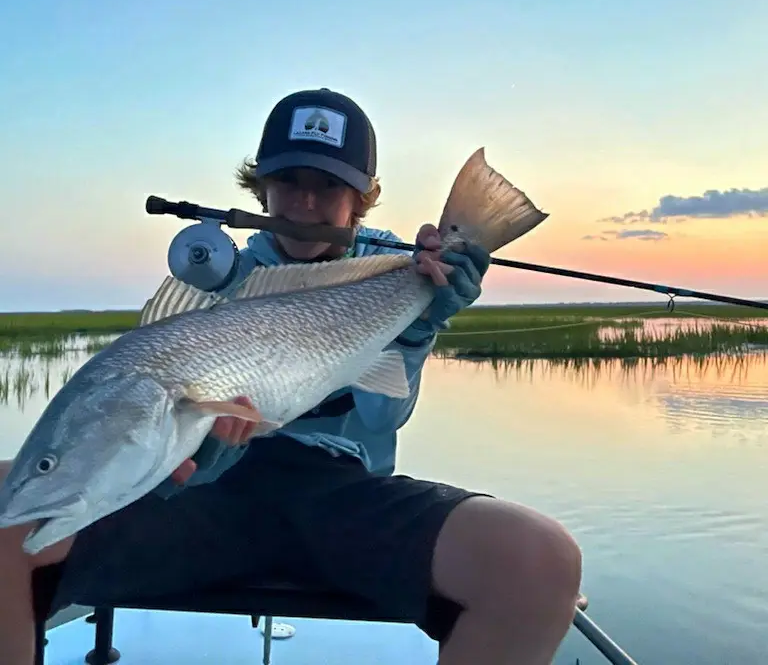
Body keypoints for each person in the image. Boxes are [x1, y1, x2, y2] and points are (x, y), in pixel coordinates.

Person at [0, 87, 582, 665]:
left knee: (539, 558)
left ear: (360, 199)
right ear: (262, 188)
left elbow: (383, 413)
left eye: (328, 185)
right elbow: (159, 444)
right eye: (289, 181)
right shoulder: (217, 281)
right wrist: (196, 460)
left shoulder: (401, 273)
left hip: (342, 495)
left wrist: (418, 321)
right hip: (206, 502)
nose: (305, 201)